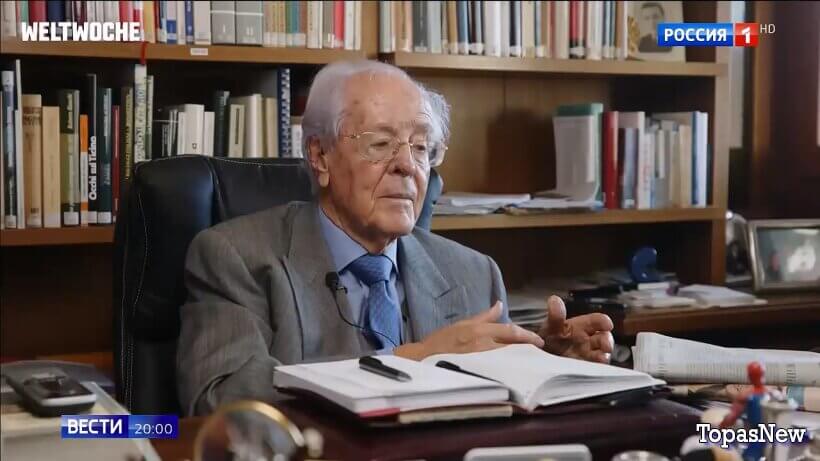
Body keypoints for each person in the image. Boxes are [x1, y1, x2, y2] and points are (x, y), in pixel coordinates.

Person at [176, 60, 614, 416]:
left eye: (421, 147)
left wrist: (544, 365)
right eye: (381, 144)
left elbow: (502, 416)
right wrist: (415, 359)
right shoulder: (238, 257)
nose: (408, 166)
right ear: (320, 155)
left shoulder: (474, 274)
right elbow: (221, 400)